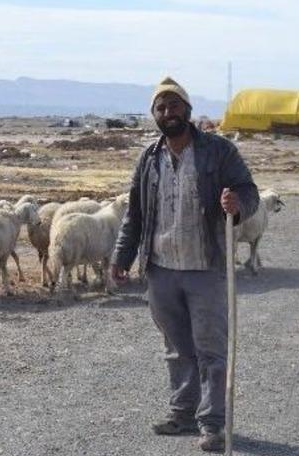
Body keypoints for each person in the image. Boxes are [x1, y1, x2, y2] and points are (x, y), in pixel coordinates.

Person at [110, 77, 259, 452]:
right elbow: (135, 213)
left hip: (205, 266)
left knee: (211, 349)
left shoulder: (218, 151)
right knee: (177, 347)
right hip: (161, 268)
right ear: (155, 115)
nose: (168, 112)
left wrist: (237, 205)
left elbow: (249, 191)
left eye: (174, 105)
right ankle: (182, 414)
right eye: (160, 108)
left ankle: (212, 424)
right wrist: (122, 257)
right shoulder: (149, 158)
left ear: (188, 110)